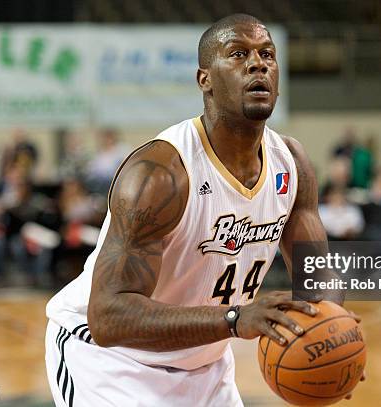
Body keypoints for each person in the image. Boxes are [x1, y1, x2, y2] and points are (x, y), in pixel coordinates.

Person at [45, 14, 362, 407]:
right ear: (205, 80)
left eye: (267, 54)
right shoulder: (160, 173)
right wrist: (235, 318)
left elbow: (317, 272)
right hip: (109, 361)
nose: (258, 63)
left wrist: (331, 327)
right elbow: (109, 317)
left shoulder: (291, 163)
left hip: (205, 363)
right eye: (238, 54)